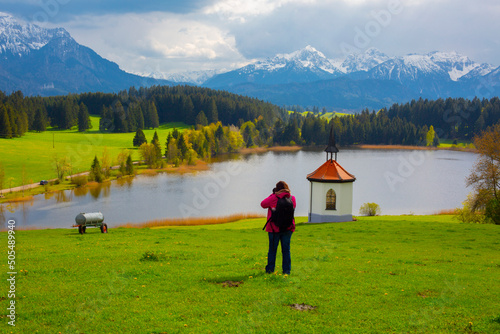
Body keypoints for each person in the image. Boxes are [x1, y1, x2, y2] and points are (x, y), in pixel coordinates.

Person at [260, 181, 296, 275]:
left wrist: (272, 194)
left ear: (276, 189)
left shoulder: (273, 198)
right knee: (286, 250)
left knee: (272, 250)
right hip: (288, 228)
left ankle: (270, 270)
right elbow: (293, 208)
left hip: (274, 229)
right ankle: (286, 271)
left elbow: (263, 204)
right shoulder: (292, 198)